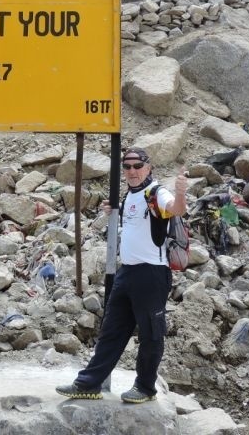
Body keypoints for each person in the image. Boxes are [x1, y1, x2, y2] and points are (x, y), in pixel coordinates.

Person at [56, 147, 187, 403]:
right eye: (127, 167)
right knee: (111, 330)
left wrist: (181, 192)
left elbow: (176, 209)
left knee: (150, 333)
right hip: (126, 272)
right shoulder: (131, 195)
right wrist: (111, 211)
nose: (131, 171)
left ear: (148, 167)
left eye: (137, 166)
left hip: (151, 274)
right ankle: (88, 384)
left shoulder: (156, 192)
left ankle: (146, 387)